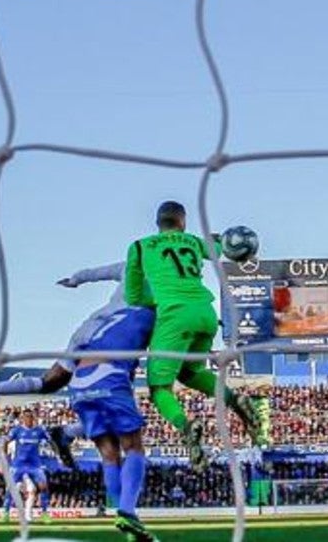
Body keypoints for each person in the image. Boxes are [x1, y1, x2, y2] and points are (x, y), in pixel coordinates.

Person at [0, 261, 137, 468]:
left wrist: (74, 280)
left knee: (49, 382)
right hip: (119, 337)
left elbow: (96, 273)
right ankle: (65, 433)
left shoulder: (134, 262)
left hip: (92, 326)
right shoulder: (171, 282)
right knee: (114, 408)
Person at [123, 201, 265, 469]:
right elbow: (221, 248)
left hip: (174, 317)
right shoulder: (193, 242)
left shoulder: (140, 247)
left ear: (158, 222)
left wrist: (155, 300)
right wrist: (222, 239)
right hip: (206, 314)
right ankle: (236, 400)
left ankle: (187, 429)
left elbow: (133, 296)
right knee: (189, 373)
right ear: (183, 221)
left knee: (159, 389)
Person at [66, 301, 159, 541]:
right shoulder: (155, 313)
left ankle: (126, 522)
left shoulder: (111, 314)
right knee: (134, 447)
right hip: (108, 375)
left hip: (78, 383)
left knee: (109, 455)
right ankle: (127, 511)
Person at [1, 409, 54, 524]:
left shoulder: (39, 431)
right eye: (26, 416)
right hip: (18, 465)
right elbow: (5, 441)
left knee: (44, 486)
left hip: (35, 465)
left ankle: (45, 514)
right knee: (11, 488)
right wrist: (5, 457)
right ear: (22, 418)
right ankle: (5, 513)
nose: (29, 419)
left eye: (31, 416)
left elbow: (51, 441)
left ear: (33, 418)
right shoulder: (17, 430)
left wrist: (58, 453)